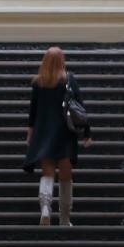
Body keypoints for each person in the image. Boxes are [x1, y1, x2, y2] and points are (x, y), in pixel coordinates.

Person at [24, 46, 90, 226]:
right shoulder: (69, 80)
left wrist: (30, 133)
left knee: (47, 173)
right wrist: (86, 133)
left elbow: (33, 111)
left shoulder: (39, 82)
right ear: (62, 61)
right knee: (66, 176)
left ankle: (45, 209)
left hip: (44, 132)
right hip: (65, 133)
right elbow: (80, 108)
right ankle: (64, 217)